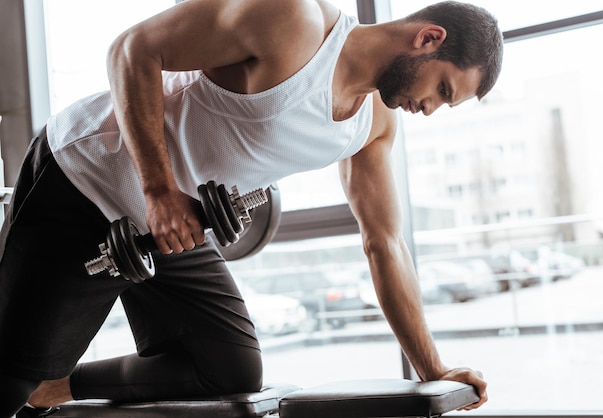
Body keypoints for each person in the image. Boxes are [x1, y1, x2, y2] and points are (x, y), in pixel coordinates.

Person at [0, 0, 503, 416]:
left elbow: (385, 244)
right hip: (87, 176)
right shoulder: (293, 21)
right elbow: (132, 50)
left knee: (226, 367)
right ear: (429, 38)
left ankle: (54, 386)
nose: (430, 108)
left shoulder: (371, 124)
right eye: (441, 89)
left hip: (169, 227)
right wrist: (160, 192)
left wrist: (433, 370)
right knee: (5, 387)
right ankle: (25, 382)